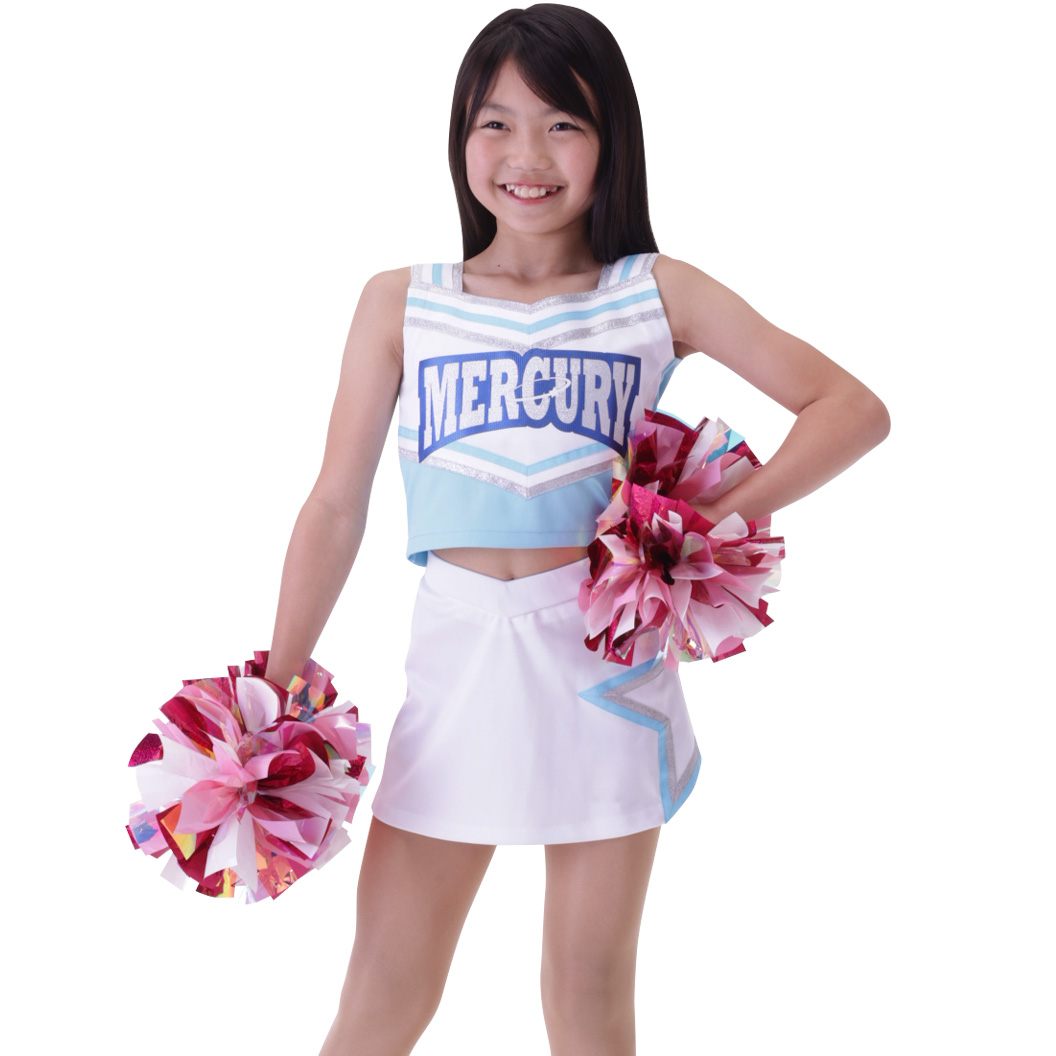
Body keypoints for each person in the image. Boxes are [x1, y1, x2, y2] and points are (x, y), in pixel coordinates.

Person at [264, 5, 889, 1054]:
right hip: (454, 661)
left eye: (563, 124)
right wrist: (276, 678)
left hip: (604, 669)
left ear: (613, 141)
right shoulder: (401, 302)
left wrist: (703, 523)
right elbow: (335, 502)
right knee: (383, 996)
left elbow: (851, 409)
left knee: (588, 1001)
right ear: (461, 137)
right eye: (495, 123)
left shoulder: (653, 291)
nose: (527, 155)